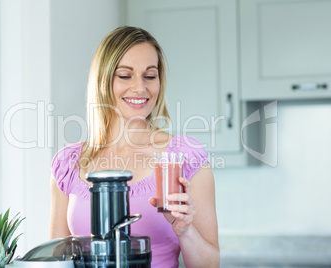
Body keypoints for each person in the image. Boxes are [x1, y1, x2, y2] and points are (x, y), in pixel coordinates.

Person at [49, 26, 220, 267]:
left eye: (150, 76)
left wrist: (185, 230)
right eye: (125, 75)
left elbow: (210, 264)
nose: (140, 88)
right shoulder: (68, 163)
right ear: (103, 80)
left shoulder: (184, 157)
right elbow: (57, 261)